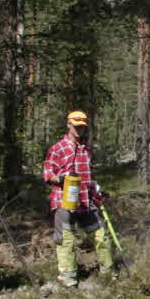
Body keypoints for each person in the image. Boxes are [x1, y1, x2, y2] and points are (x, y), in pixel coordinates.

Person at [42, 109, 115, 288]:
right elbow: (47, 174)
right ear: (68, 125)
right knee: (66, 240)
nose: (78, 130)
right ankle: (68, 280)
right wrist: (61, 178)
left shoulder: (86, 150)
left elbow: (89, 175)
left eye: (81, 127)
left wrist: (97, 191)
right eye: (75, 126)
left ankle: (108, 274)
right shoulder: (57, 149)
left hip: (85, 202)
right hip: (63, 201)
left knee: (101, 236)